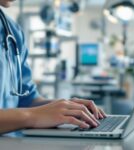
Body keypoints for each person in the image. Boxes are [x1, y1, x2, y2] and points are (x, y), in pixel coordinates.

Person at [0, 0, 106, 135]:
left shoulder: (12, 30)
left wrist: (67, 108)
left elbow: (27, 100)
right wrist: (32, 116)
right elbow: (30, 111)